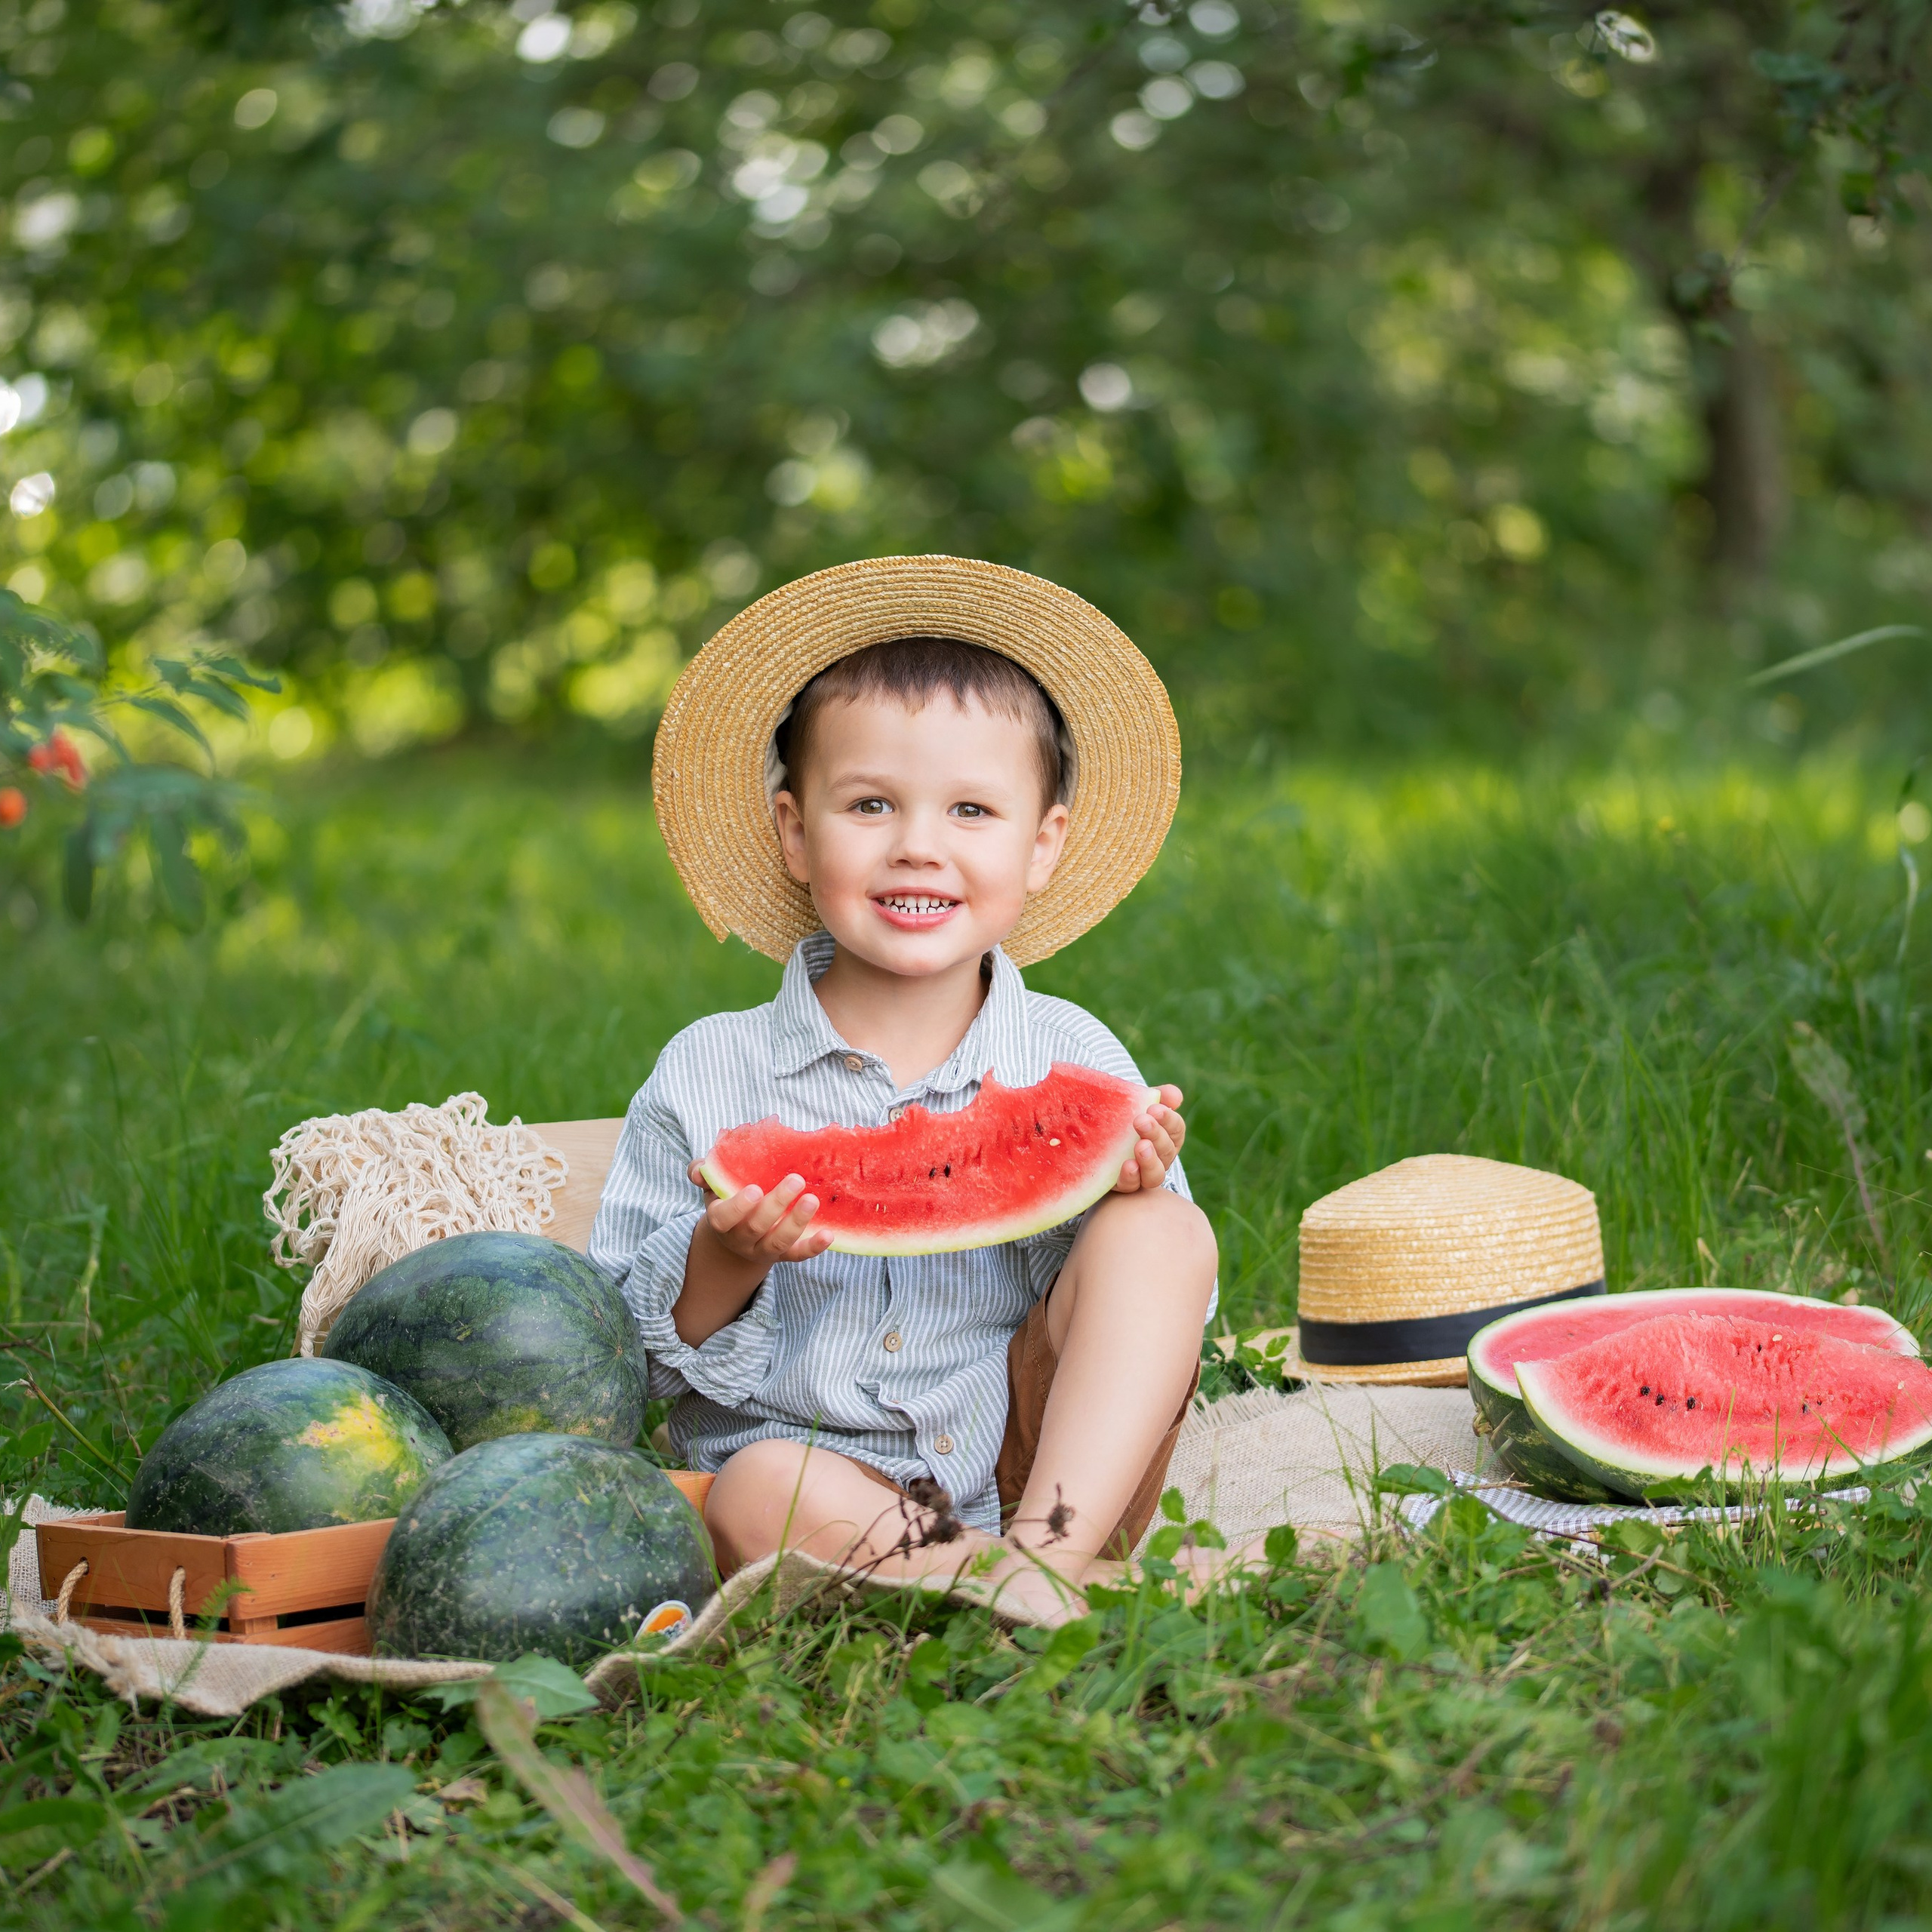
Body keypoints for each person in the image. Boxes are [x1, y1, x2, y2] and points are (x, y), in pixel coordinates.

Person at [589, 556, 1224, 1620]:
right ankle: (1022, 1596)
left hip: (1042, 1476)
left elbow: (1158, 1317)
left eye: (972, 810)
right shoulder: (707, 1071)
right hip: (815, 1484)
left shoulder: (1071, 1054)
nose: (918, 847)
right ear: (796, 833)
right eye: (871, 804)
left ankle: (1038, 1563)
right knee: (752, 1491)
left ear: (1042, 845)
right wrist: (725, 1258)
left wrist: (1119, 1193)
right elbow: (624, 1371)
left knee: (1163, 1234)